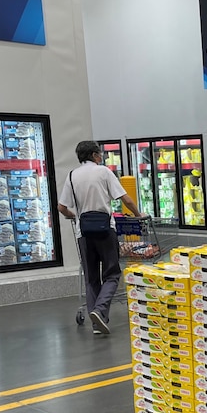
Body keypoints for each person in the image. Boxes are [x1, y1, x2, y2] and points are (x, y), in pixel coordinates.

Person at [58, 141, 146, 335]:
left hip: (84, 233)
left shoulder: (72, 175)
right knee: (112, 274)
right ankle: (99, 310)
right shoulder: (104, 172)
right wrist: (139, 215)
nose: (101, 156)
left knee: (91, 278)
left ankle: (98, 323)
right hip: (105, 230)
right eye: (99, 153)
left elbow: (62, 207)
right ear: (94, 155)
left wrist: (75, 217)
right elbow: (125, 198)